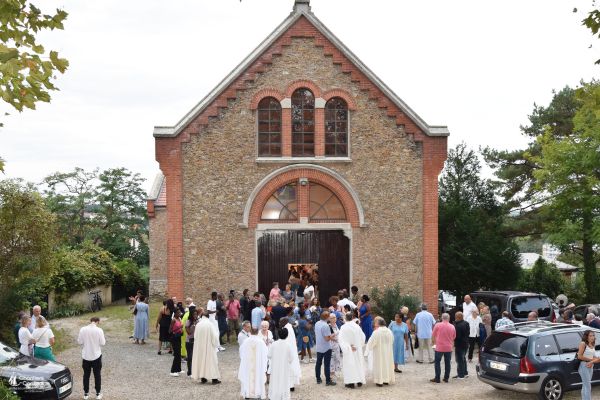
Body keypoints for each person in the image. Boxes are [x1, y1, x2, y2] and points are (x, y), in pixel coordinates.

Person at [78, 317, 105, 400]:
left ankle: (86, 394)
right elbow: (103, 343)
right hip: (96, 355)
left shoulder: (83, 329)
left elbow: (79, 342)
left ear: (90, 321)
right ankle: (98, 394)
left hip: (86, 355)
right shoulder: (99, 330)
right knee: (97, 375)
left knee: (86, 375)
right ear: (98, 322)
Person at [192, 311, 221, 384]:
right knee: (211, 361)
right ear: (208, 317)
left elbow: (195, 336)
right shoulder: (210, 324)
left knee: (201, 361)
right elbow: (214, 336)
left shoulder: (198, 324)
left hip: (200, 347)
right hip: (209, 347)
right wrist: (216, 345)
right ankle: (214, 379)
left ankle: (203, 378)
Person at [238, 328, 268, 400]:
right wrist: (264, 364)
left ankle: (247, 394)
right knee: (258, 377)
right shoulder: (261, 342)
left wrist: (244, 360)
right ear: (258, 332)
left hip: (247, 365)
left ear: (250, 332)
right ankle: (258, 394)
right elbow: (266, 353)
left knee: (247, 377)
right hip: (258, 365)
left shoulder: (246, 341)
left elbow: (241, 352)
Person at [338, 312, 366, 388]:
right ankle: (359, 380)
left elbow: (341, 339)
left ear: (345, 318)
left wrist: (348, 346)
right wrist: (358, 346)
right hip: (356, 350)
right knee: (358, 364)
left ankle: (351, 383)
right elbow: (363, 337)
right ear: (352, 317)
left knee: (350, 365)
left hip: (349, 349)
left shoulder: (343, 327)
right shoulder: (357, 327)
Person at [366, 316, 395, 387]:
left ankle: (379, 381)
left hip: (379, 352)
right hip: (387, 352)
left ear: (378, 324)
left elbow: (371, 342)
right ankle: (386, 380)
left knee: (379, 365)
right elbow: (392, 341)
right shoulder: (389, 331)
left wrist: (368, 350)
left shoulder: (376, 332)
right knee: (387, 364)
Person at [268, 328, 294, 400]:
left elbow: (269, 355)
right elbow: (291, 358)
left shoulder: (274, 344)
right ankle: (284, 396)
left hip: (275, 366)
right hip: (284, 367)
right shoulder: (288, 345)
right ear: (287, 335)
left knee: (275, 381)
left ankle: (274, 396)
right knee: (284, 380)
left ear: (278, 335)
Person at [430, 313, 456, 384]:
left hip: (439, 347)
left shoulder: (437, 325)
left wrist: (434, 342)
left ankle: (437, 378)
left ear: (442, 318)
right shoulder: (452, 326)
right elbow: (454, 337)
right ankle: (446, 378)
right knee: (448, 363)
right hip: (448, 347)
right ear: (449, 318)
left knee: (437, 363)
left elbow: (433, 335)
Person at [314, 311, 336, 386]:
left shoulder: (317, 323)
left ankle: (318, 379)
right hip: (326, 347)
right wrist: (332, 336)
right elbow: (327, 339)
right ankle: (328, 380)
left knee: (318, 363)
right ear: (327, 317)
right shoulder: (326, 326)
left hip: (319, 346)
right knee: (327, 364)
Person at [577, 330, 600, 400]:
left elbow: (596, 358)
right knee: (588, 386)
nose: (592, 337)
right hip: (583, 366)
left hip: (590, 366)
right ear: (586, 336)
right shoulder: (583, 344)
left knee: (585, 385)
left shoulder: (592, 345)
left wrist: (592, 362)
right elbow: (579, 356)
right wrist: (591, 361)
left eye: (593, 335)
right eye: (590, 335)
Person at [281, 317, 301, 391]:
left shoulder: (287, 329)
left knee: (289, 369)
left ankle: (290, 385)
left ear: (285, 322)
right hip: (291, 351)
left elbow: (286, 341)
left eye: (281, 322)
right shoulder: (289, 327)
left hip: (288, 352)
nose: (280, 323)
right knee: (291, 369)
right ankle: (291, 385)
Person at [452, 311, 469, 379]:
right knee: (463, 358)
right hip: (466, 343)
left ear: (457, 317)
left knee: (459, 360)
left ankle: (461, 375)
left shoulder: (458, 325)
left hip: (459, 344)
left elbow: (457, 336)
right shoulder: (466, 323)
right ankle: (465, 373)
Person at [169, 309, 184, 376]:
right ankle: (173, 370)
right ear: (175, 313)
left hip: (179, 336)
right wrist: (178, 328)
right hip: (174, 337)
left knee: (179, 353)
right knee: (177, 353)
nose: (180, 313)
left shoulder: (179, 319)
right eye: (178, 312)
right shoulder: (173, 320)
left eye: (180, 312)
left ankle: (178, 369)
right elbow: (170, 330)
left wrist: (181, 330)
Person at [185, 307, 199, 377]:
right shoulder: (188, 322)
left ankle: (195, 370)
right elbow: (188, 333)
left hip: (196, 340)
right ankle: (189, 371)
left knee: (195, 357)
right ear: (191, 315)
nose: (195, 316)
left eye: (196, 314)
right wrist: (193, 327)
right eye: (194, 314)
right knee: (190, 357)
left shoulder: (198, 321)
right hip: (189, 341)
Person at [328, 314, 342, 378]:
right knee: (332, 359)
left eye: (335, 317)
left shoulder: (336, 325)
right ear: (329, 319)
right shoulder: (329, 326)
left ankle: (336, 371)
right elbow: (328, 336)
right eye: (332, 318)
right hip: (331, 344)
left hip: (337, 344)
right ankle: (331, 372)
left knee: (337, 358)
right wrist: (335, 339)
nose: (334, 319)